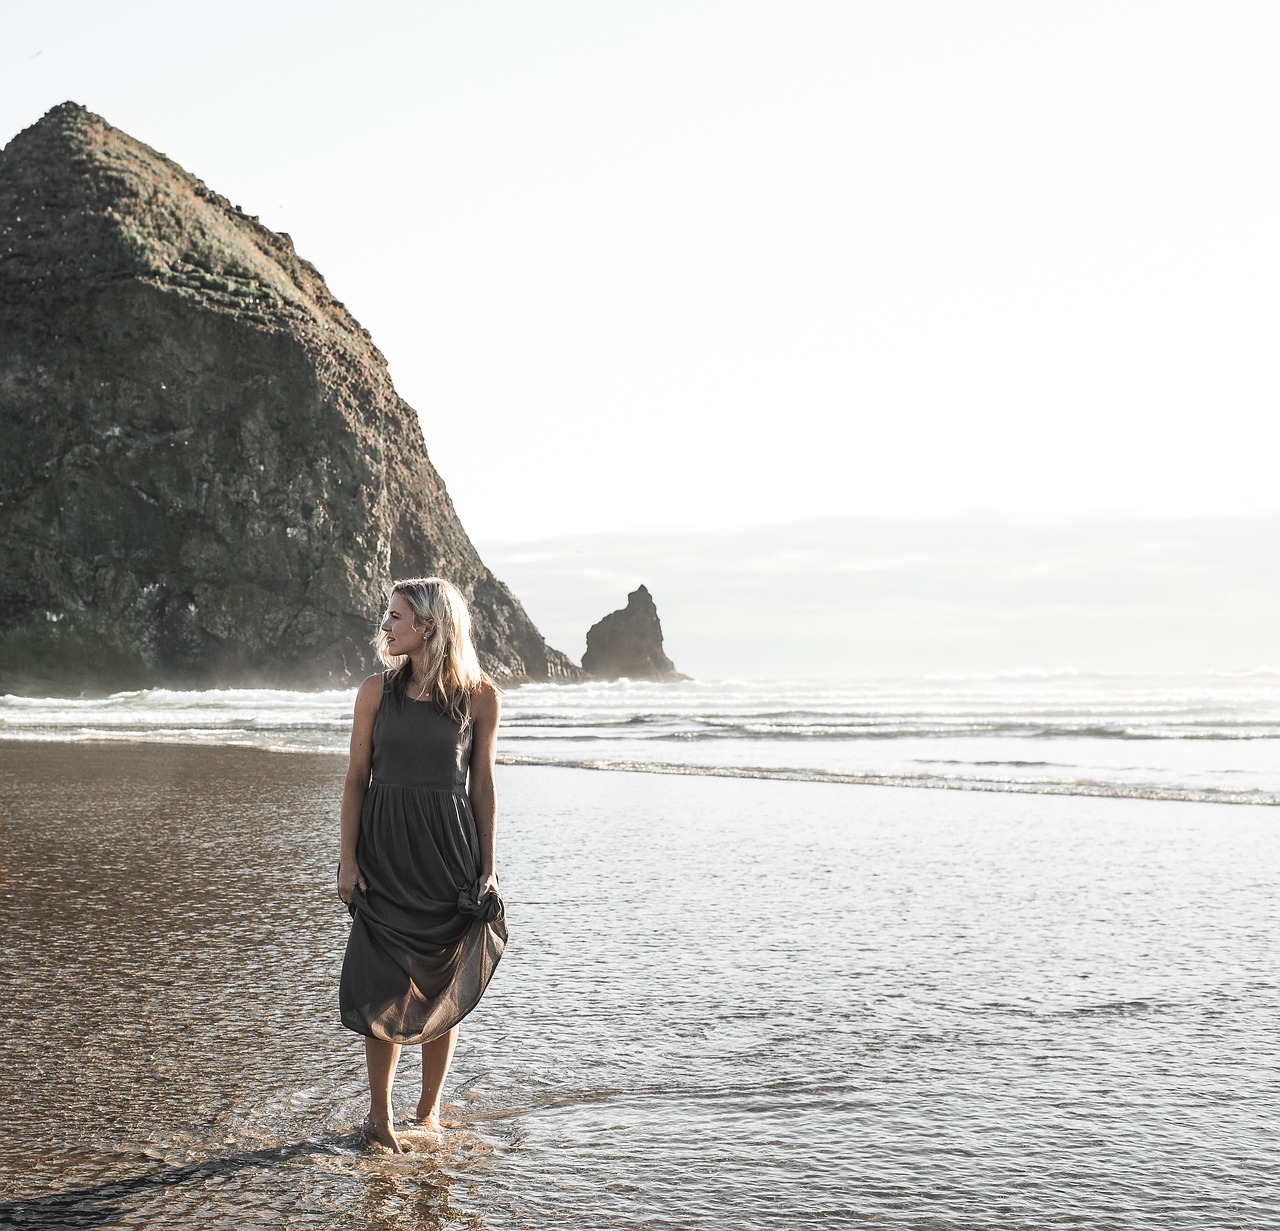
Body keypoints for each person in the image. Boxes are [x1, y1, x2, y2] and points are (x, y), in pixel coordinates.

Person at [337, 576, 507, 1153]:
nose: (384, 626)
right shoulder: (373, 693)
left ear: (428, 627)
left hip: (448, 857)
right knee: (382, 980)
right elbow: (357, 779)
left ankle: (427, 1112)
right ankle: (379, 1119)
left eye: (395, 617)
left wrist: (489, 867)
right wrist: (347, 862)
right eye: (386, 616)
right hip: (384, 858)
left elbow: (481, 785)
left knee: (442, 982)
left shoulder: (480, 696)